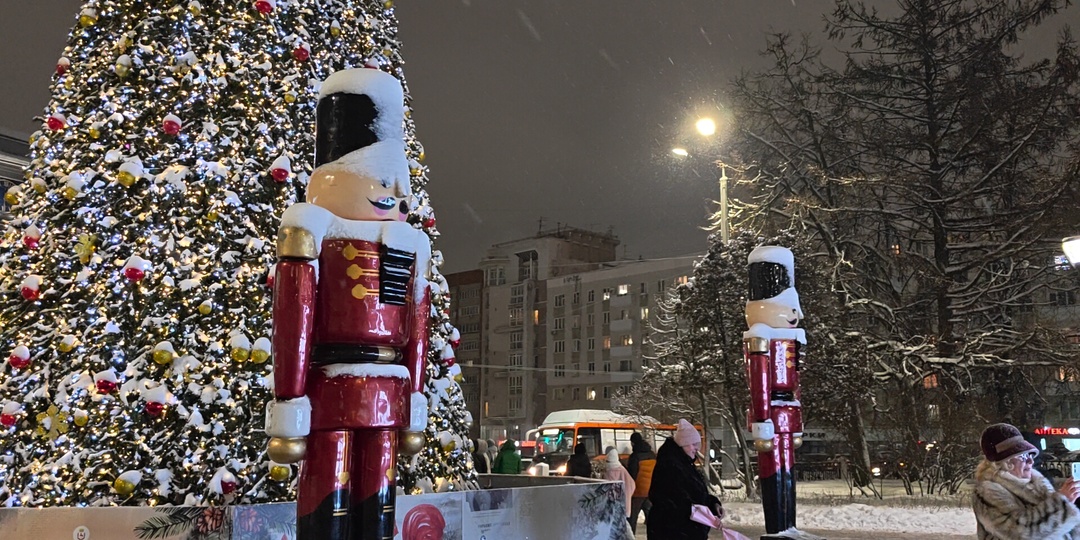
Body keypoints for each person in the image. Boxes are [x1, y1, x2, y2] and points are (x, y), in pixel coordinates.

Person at [973, 422, 1080, 539]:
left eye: (1030, 454)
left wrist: (1070, 502)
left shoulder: (1037, 483)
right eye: (1022, 456)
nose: (1031, 461)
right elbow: (1021, 532)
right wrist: (1061, 503)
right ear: (1004, 463)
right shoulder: (988, 491)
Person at [647, 419, 722, 540]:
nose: (696, 449)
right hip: (673, 532)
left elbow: (696, 494)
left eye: (697, 445)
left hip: (685, 531)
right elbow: (667, 499)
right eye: (693, 444)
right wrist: (695, 512)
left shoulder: (685, 465)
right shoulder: (669, 465)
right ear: (682, 444)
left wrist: (713, 504)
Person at [627, 432, 656, 534]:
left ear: (633, 443)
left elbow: (632, 475)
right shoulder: (652, 455)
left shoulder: (635, 456)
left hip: (638, 492)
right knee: (652, 519)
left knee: (632, 519)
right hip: (651, 491)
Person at [605, 448, 636, 523]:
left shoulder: (607, 470)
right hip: (623, 503)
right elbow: (632, 485)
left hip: (610, 503)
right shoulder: (622, 470)